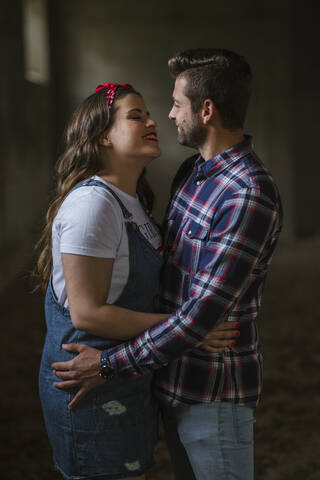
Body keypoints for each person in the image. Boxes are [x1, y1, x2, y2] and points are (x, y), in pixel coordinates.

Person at [52, 48, 283, 480]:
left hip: (212, 392)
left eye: (177, 104)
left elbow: (199, 319)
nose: (170, 115)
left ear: (206, 110)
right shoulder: (191, 173)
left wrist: (106, 365)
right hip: (168, 380)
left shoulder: (247, 194)